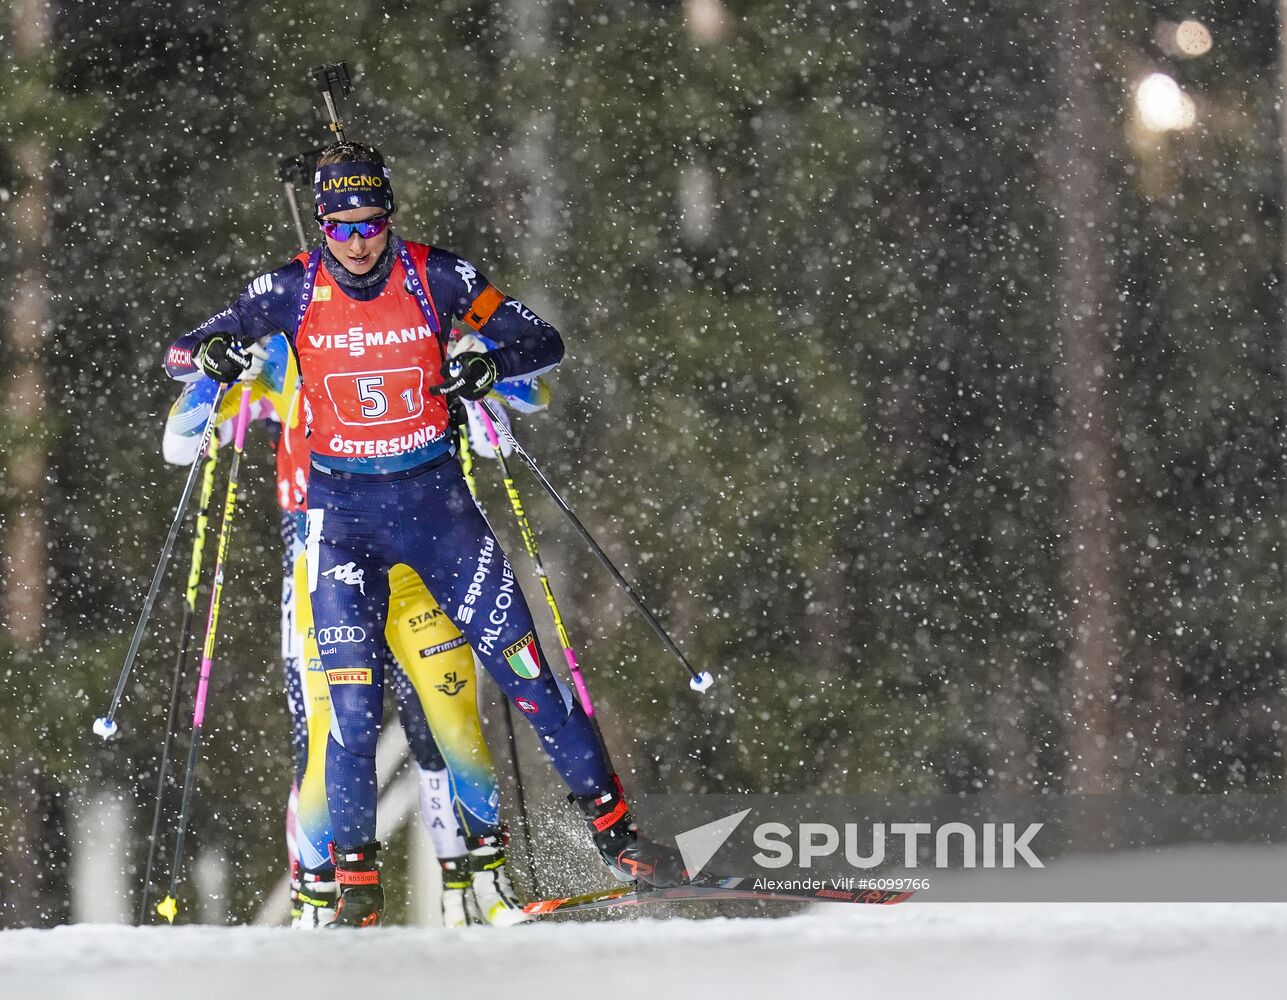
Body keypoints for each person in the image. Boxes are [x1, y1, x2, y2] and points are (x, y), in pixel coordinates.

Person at [164, 141, 682, 927]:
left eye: (372, 222)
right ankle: (354, 886)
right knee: (350, 714)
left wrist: (488, 364)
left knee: (531, 679)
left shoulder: (437, 276)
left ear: (389, 216)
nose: (359, 241)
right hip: (342, 532)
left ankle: (618, 837)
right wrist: (211, 355)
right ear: (321, 224)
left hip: (441, 519)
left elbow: (544, 342)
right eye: (341, 226)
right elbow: (179, 354)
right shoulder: (288, 287)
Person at [163, 356, 529, 929]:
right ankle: (320, 898)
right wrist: (220, 373)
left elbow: (498, 434)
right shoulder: (284, 349)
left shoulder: (415, 327)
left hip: (419, 547)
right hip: (319, 552)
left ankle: (467, 888)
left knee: (436, 724)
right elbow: (179, 444)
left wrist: (478, 377)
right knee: (322, 733)